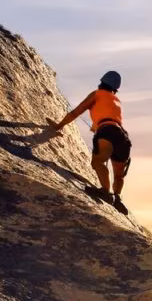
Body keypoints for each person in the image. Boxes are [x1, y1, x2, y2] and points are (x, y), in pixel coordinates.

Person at [50, 70, 132, 207]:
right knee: (118, 175)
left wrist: (59, 126)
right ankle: (117, 198)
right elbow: (110, 117)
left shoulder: (96, 94)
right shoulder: (117, 101)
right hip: (123, 137)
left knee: (98, 162)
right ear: (115, 89)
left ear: (101, 82)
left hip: (107, 131)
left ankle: (105, 192)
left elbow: (76, 112)